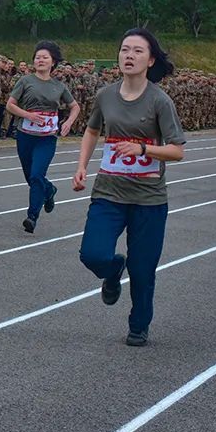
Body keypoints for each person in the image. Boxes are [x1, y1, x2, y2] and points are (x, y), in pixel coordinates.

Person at [73, 28, 185, 347]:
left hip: (149, 198)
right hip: (109, 191)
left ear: (150, 60)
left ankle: (139, 324)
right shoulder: (105, 95)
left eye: (137, 51)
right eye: (124, 50)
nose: (129, 56)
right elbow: (92, 131)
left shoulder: (160, 101)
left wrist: (144, 150)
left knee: (143, 268)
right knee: (92, 253)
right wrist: (81, 166)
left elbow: (177, 150)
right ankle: (111, 270)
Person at [5, 40, 80, 233]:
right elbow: (10, 105)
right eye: (37, 57)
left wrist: (69, 122)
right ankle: (49, 190)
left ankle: (32, 217)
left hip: (47, 138)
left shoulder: (59, 86)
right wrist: (27, 115)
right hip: (25, 136)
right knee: (31, 177)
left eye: (45, 57)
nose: (40, 60)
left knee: (37, 174)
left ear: (53, 62)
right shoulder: (25, 81)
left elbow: (75, 107)